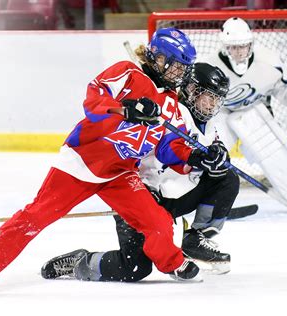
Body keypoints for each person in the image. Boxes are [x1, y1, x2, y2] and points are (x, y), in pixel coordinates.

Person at [0, 27, 234, 287]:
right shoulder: (128, 73)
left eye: (183, 69)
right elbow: (94, 99)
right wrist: (127, 108)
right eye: (175, 66)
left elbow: (169, 147)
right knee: (36, 216)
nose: (178, 74)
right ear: (158, 58)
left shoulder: (171, 102)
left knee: (158, 221)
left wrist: (197, 158)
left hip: (120, 172)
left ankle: (172, 263)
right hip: (80, 163)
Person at [40, 62, 238, 283]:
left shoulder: (211, 125)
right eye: (209, 97)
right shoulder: (169, 110)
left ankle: (197, 238)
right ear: (192, 91)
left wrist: (216, 158)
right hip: (142, 191)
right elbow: (164, 151)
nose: (212, 105)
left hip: (172, 196)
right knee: (134, 268)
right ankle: (81, 261)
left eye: (217, 99)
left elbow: (203, 157)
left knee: (226, 177)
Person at [200, 17, 287, 216]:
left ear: (251, 44)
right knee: (209, 151)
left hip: (253, 112)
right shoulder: (209, 65)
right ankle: (205, 201)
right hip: (221, 113)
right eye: (234, 47)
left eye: (244, 46)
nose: (240, 52)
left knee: (274, 154)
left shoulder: (269, 61)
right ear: (225, 47)